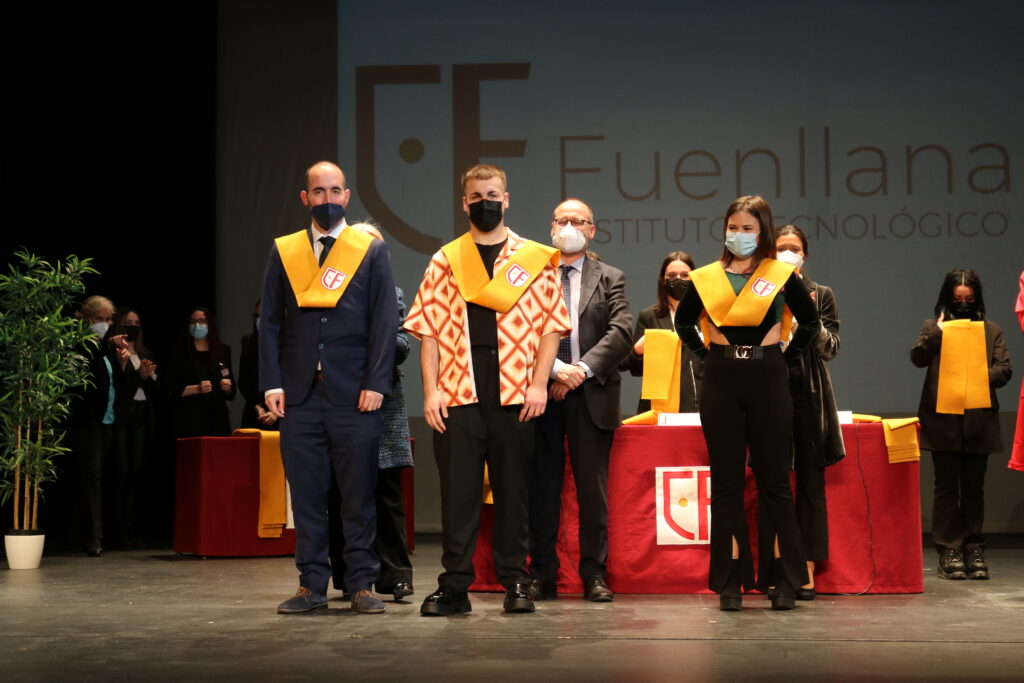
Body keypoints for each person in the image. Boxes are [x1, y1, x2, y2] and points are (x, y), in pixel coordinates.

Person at [405, 163, 570, 616]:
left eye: (493, 195)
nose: (485, 204)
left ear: (507, 199)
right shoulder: (446, 259)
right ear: (464, 203)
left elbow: (552, 327)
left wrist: (539, 384)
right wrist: (430, 392)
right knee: (458, 494)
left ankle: (516, 581)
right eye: (477, 197)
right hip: (458, 389)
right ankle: (455, 587)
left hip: (516, 390)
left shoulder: (533, 258)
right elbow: (428, 331)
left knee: (514, 492)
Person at [260, 161, 397, 615]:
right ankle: (311, 586)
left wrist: (376, 382)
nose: (327, 199)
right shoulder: (285, 251)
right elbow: (270, 323)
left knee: (357, 497)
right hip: (300, 397)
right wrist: (272, 382)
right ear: (305, 198)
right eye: (318, 192)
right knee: (307, 498)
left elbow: (384, 322)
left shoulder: (370, 250)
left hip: (355, 396)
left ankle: (361, 584)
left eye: (335, 191)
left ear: (347, 195)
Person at [674, 195, 820, 611]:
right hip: (721, 380)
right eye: (733, 228)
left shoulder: (779, 275)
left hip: (767, 377)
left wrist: (785, 360)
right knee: (726, 484)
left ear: (763, 232)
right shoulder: (706, 277)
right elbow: (683, 321)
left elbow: (810, 323)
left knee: (775, 483)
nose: (739, 235)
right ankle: (729, 581)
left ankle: (785, 580)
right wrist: (706, 357)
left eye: (748, 229)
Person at [527, 199, 632, 603]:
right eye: (562, 220)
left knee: (593, 492)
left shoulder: (610, 277)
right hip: (541, 393)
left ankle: (594, 573)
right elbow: (520, 331)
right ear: (551, 227)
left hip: (592, 394)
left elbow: (621, 332)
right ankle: (541, 573)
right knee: (542, 488)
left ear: (591, 230)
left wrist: (580, 371)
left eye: (578, 221)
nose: (569, 226)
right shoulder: (531, 274)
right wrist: (556, 371)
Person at [328, 222, 415, 603]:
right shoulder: (327, 292)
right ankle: (350, 575)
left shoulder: (392, 293)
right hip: (337, 401)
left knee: (386, 493)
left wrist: (372, 342)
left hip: (383, 404)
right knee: (341, 494)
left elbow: (402, 344)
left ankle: (395, 576)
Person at [911, 268, 1012, 580]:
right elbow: (917, 357)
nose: (964, 304)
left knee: (973, 487)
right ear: (948, 298)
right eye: (957, 299)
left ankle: (973, 546)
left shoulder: (990, 330)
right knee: (945, 488)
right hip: (942, 419)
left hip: (978, 420)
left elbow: (1004, 370)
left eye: (969, 299)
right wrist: (938, 334)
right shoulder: (933, 327)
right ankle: (949, 550)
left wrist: (975, 374)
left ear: (976, 299)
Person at [772, 225, 845, 600]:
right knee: (773, 483)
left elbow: (831, 347)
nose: (788, 253)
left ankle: (808, 568)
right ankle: (778, 565)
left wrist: (806, 320)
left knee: (811, 487)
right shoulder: (760, 290)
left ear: (804, 254)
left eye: (794, 248)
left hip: (810, 395)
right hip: (769, 392)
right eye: (781, 247)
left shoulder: (822, 294)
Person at [68, 295, 118, 556]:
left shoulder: (107, 350)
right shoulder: (81, 345)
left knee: (95, 478)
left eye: (109, 319)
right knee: (91, 478)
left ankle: (86, 533)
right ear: (87, 319)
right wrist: (106, 347)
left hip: (106, 421)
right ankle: (93, 537)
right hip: (86, 422)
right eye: (100, 319)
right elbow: (83, 382)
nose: (105, 324)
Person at [625, 251, 702, 413]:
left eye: (685, 275)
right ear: (663, 280)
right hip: (658, 404)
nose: (678, 279)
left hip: (697, 402)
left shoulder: (706, 317)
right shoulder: (649, 316)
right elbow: (635, 369)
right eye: (672, 275)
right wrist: (638, 351)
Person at [110, 307, 160, 549]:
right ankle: (118, 530)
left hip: (142, 417)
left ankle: (131, 528)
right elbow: (120, 387)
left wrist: (147, 376)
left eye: (136, 323)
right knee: (122, 471)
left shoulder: (144, 353)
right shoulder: (117, 352)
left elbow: (156, 388)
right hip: (122, 417)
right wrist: (137, 375)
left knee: (137, 472)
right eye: (128, 322)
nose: (133, 326)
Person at [166, 307, 236, 437]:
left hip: (218, 419)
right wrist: (197, 389)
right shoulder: (179, 353)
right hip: (191, 420)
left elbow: (231, 390)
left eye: (202, 321)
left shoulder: (223, 351)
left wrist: (228, 388)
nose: (197, 325)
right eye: (193, 322)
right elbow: (172, 390)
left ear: (210, 324)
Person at [238, 300, 278, 431]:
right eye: (257, 316)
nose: (260, 319)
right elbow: (243, 382)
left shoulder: (287, 344)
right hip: (253, 411)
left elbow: (292, 383)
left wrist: (276, 411)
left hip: (280, 414)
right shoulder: (248, 343)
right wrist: (257, 406)